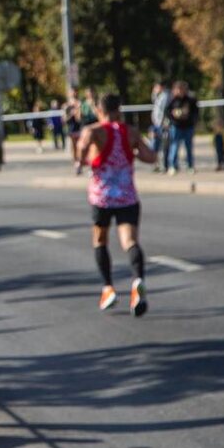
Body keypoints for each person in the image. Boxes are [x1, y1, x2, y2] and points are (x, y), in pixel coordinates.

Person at [77, 94, 157, 316]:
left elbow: (81, 154)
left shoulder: (93, 131)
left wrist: (81, 160)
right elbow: (149, 157)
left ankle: (108, 288)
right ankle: (137, 281)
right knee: (130, 241)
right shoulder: (130, 132)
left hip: (101, 197)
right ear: (119, 109)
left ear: (99, 110)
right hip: (127, 197)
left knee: (100, 240)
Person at [165, 80, 198, 175]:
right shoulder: (172, 100)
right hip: (176, 126)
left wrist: (191, 120)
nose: (180, 91)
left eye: (182, 89)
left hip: (188, 127)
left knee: (189, 147)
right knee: (174, 146)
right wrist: (173, 117)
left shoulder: (190, 100)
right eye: (178, 89)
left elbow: (195, 113)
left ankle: (190, 166)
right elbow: (167, 112)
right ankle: (173, 166)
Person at [150, 81, 170, 172]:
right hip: (157, 124)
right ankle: (157, 164)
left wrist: (164, 123)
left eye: (156, 87)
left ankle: (165, 165)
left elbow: (164, 111)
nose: (155, 89)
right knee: (155, 145)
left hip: (162, 125)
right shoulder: (158, 96)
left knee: (164, 146)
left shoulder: (165, 96)